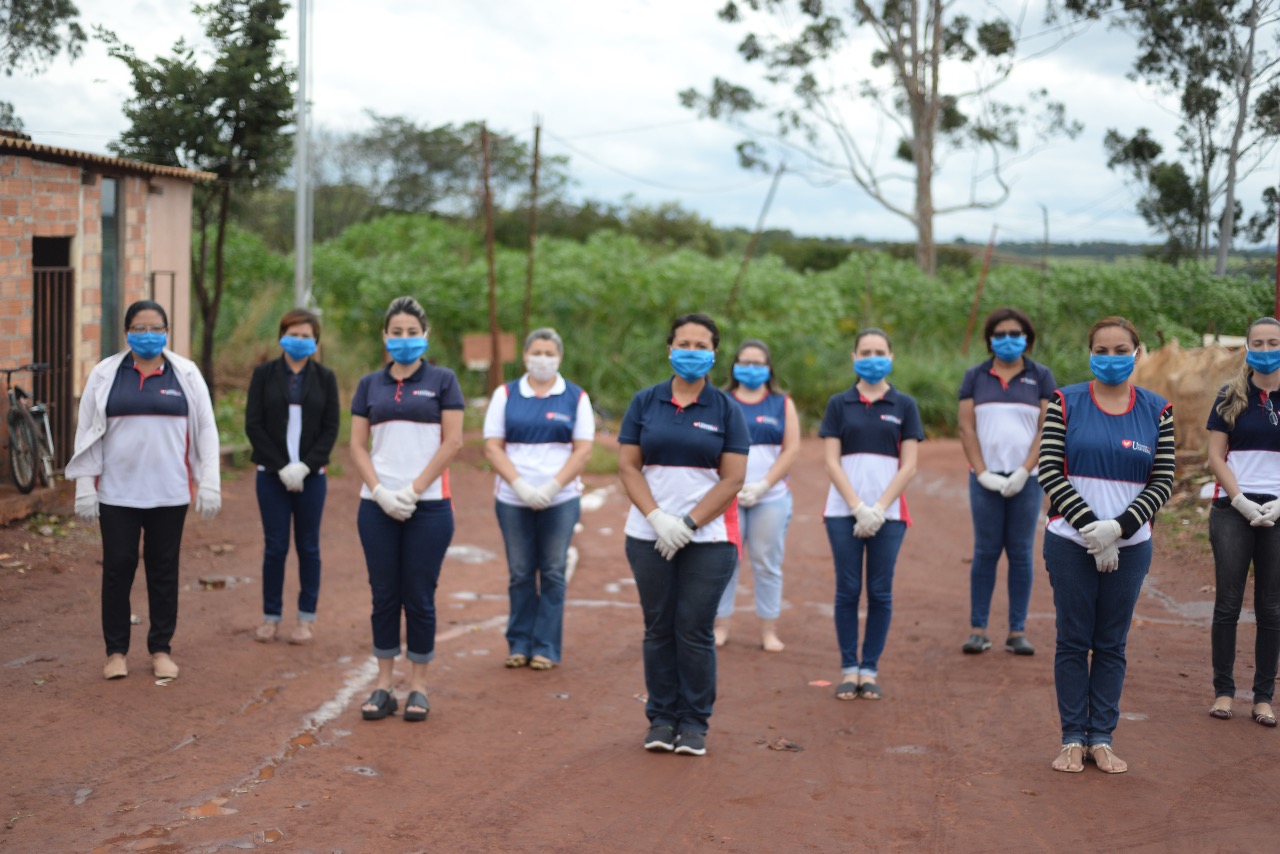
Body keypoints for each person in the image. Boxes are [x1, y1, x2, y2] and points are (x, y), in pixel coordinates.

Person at [1039, 316, 1174, 774]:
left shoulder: (1158, 410)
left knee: (1112, 643)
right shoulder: (1065, 401)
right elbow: (1050, 471)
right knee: (1074, 641)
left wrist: (1117, 528)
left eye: (1121, 350)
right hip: (1069, 542)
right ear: (1089, 353)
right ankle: (1072, 738)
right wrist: (1090, 528)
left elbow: (1163, 479)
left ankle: (1102, 739)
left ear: (1137, 353)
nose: (1111, 358)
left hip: (1131, 545)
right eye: (1102, 350)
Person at [66, 299, 221, 681]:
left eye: (155, 328)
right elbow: (86, 432)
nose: (148, 335)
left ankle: (160, 649)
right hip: (117, 494)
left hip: (170, 493)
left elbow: (206, 430)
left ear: (167, 332)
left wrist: (210, 483)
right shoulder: (105, 374)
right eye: (139, 328)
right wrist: (85, 486)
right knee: (118, 569)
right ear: (126, 332)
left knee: (163, 570)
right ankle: (116, 652)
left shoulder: (185, 374)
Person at [618, 312, 748, 756]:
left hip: (709, 540)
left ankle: (693, 723)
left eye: (700, 345)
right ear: (669, 349)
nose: (691, 352)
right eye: (683, 344)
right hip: (647, 534)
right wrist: (657, 518)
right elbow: (628, 466)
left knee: (693, 629)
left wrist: (688, 523)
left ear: (714, 353)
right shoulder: (644, 402)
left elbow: (732, 480)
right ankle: (661, 718)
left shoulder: (727, 409)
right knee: (658, 628)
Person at [350, 296, 464, 723]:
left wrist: (413, 491)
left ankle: (418, 686)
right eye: (396, 332)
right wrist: (379, 491)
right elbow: (357, 446)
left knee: (418, 596)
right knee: (383, 595)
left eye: (411, 332)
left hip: (429, 507)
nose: (404, 339)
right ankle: (383, 685)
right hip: (376, 506)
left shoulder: (443, 380)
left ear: (425, 335)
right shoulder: (368, 385)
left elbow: (453, 442)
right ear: (385, 336)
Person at [483, 328, 595, 671]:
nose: (543, 359)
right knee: (519, 572)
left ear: (559, 358)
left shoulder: (576, 397)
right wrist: (519, 485)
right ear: (525, 355)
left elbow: (584, 449)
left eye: (550, 353)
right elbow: (492, 446)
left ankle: (545, 646)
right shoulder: (505, 394)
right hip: (512, 500)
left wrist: (551, 487)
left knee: (552, 570)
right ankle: (518, 642)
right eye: (537, 352)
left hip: (560, 500)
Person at [821, 328, 923, 702]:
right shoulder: (838, 403)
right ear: (853, 358)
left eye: (880, 351)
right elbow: (831, 461)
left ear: (891, 357)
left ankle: (870, 669)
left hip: (890, 515)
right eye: (865, 351)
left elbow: (908, 466)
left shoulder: (905, 405)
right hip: (841, 512)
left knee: (880, 591)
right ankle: (849, 669)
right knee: (848, 590)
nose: (872, 357)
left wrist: (879, 508)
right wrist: (857, 507)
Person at [957, 308, 1056, 656]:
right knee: (985, 551)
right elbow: (967, 427)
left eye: (1015, 333)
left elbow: (1046, 428)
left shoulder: (1041, 376)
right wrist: (981, 471)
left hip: (1026, 480)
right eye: (1000, 334)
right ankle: (978, 629)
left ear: (1027, 338)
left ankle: (1017, 631)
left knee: (1019, 552)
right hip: (984, 479)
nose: (1008, 339)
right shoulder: (975, 376)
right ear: (989, 340)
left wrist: (1024, 470)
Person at [244, 308, 340, 645]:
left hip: (312, 477)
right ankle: (271, 617)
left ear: (315, 341)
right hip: (271, 476)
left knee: (308, 546)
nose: (299, 340)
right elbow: (253, 425)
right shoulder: (264, 375)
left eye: (306, 336)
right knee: (275, 547)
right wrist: (281, 466)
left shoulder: (325, 378)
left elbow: (331, 429)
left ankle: (306, 619)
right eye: (293, 334)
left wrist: (305, 466)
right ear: (282, 336)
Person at [1205, 316, 1280, 728]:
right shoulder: (1230, 395)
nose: (1266, 349)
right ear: (1247, 347)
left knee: (1272, 606)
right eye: (1259, 342)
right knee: (1228, 603)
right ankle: (1223, 690)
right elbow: (1216, 455)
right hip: (1234, 510)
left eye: (1274, 342)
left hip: (1279, 511)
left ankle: (1264, 697)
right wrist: (1239, 499)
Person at [714, 339, 801, 652]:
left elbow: (791, 449)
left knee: (766, 562)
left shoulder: (781, 403)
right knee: (726, 562)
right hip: (726, 498)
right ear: (734, 366)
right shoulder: (720, 401)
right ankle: (720, 626)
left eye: (758, 363)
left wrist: (764, 484)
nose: (751, 369)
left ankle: (768, 630)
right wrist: (729, 485)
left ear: (769, 368)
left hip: (770, 497)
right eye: (745, 362)